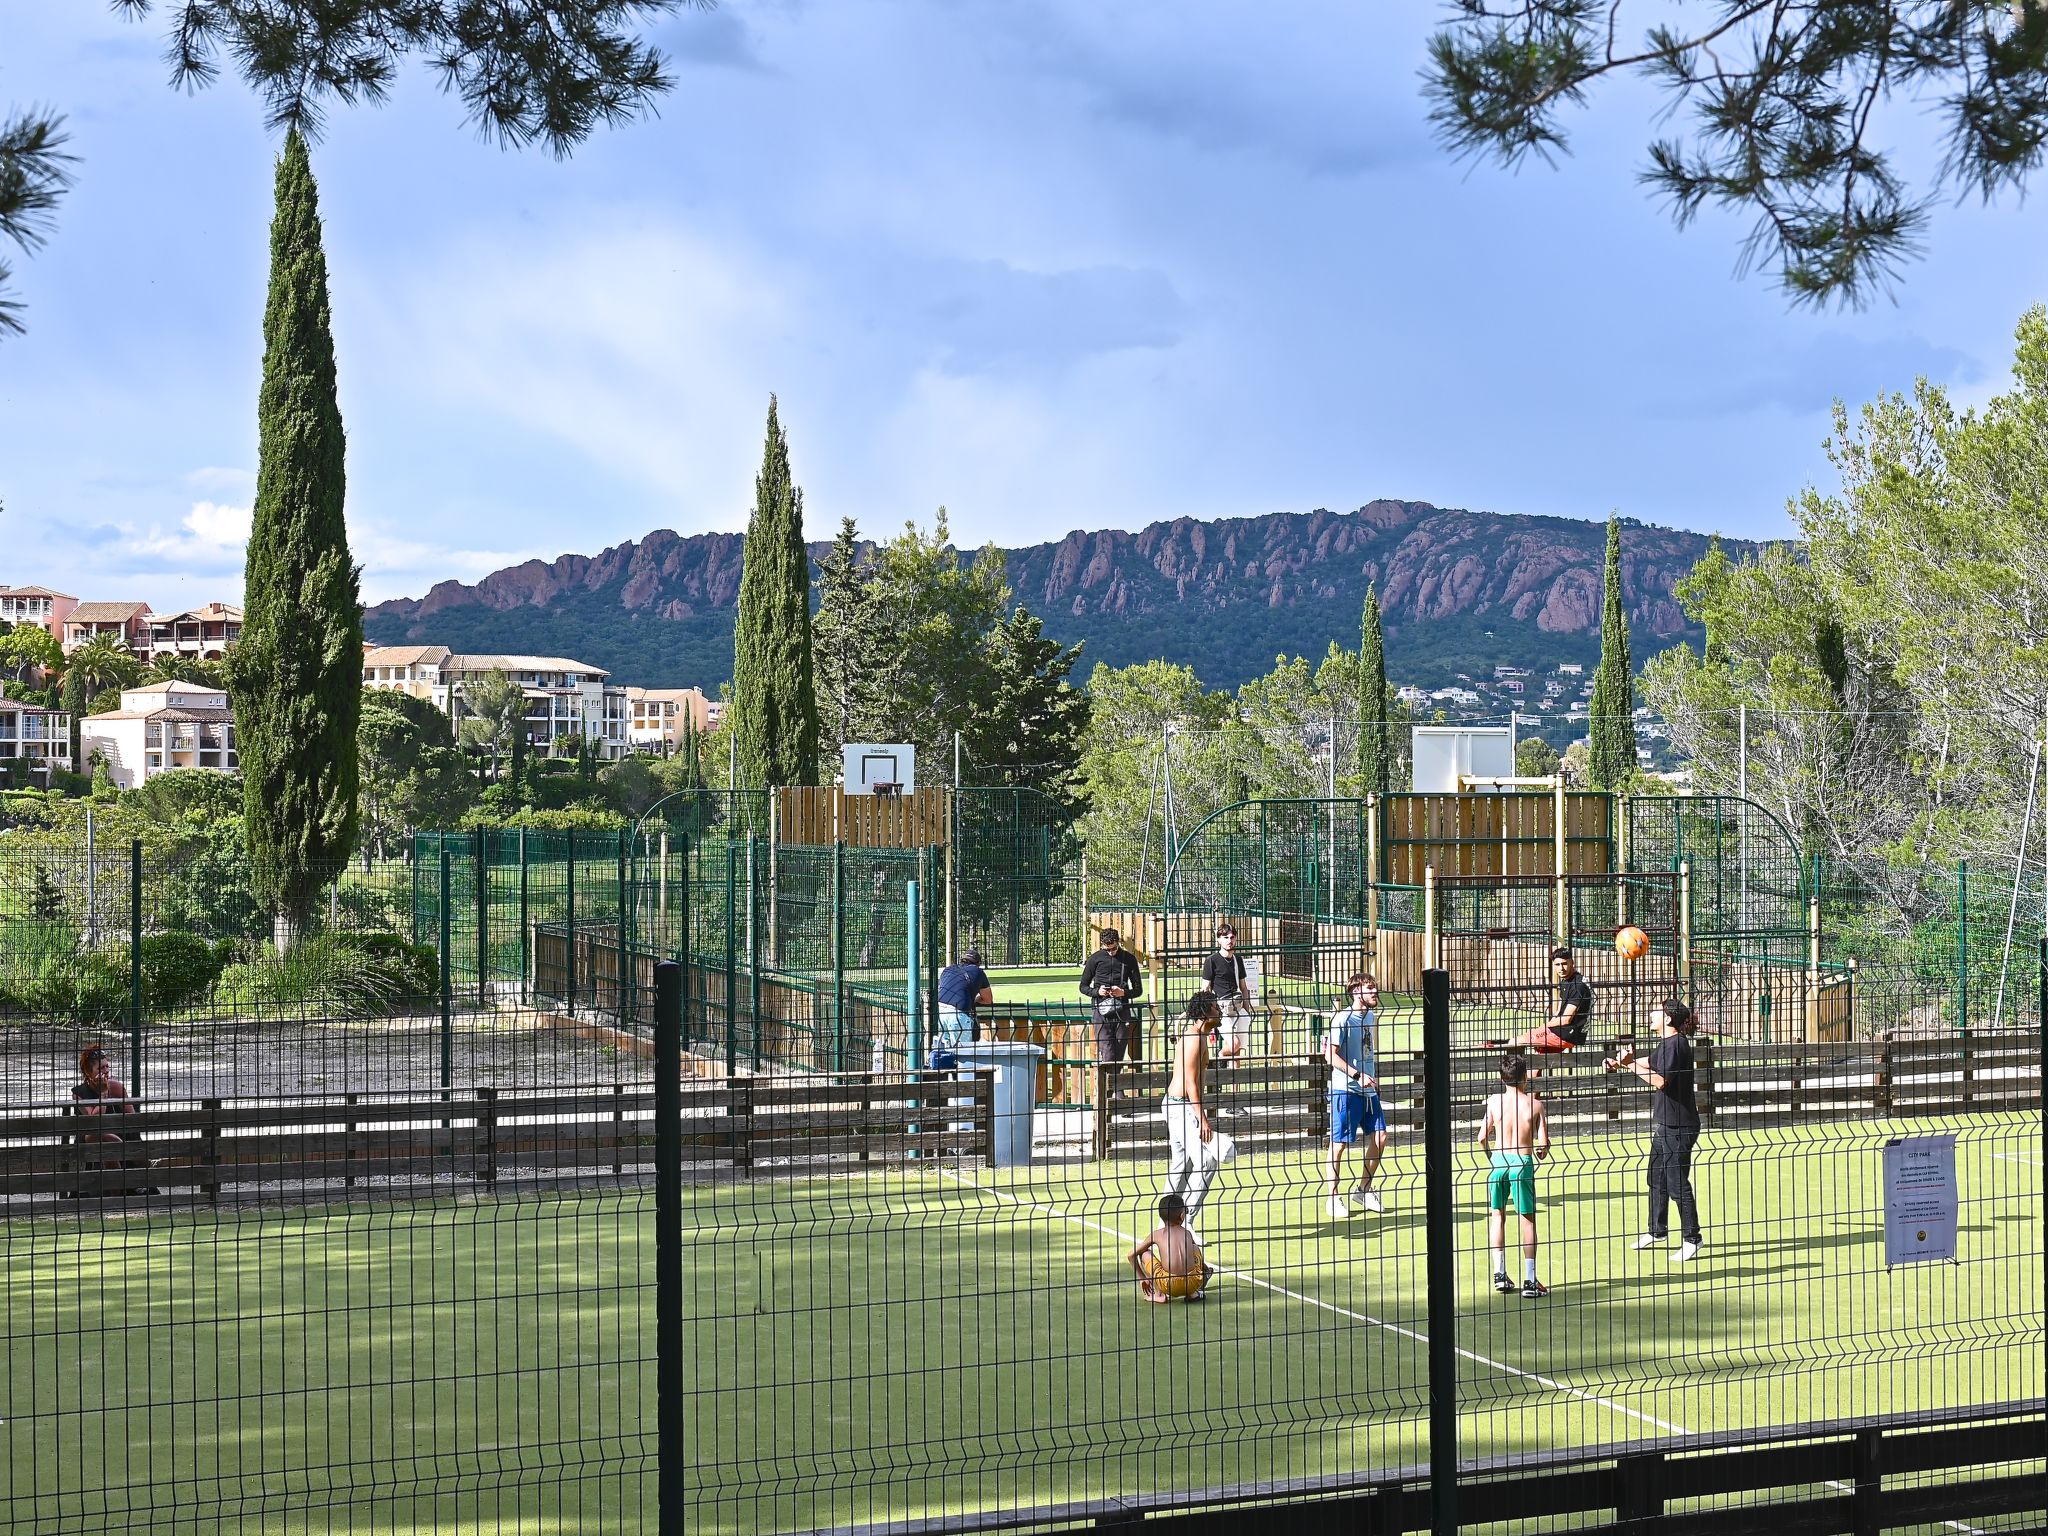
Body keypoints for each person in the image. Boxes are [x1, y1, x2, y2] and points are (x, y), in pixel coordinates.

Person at [1606, 998, 1703, 1262]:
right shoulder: (1666, 1044)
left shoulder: (1677, 1044)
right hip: (1666, 1125)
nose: (1650, 1013)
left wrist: (1628, 1065)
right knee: (1656, 1179)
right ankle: (1657, 1231)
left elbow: (1661, 1081)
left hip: (1680, 1127)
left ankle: (1692, 1239)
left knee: (1677, 1184)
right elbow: (1650, 1062)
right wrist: (1622, 1061)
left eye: (1656, 1011)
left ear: (1668, 1019)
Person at [1477, 1053, 1552, 1297]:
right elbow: (1544, 1143)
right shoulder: (1535, 1104)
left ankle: (1499, 1275)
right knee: (1527, 1220)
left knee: (1497, 1216)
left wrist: (1493, 1156)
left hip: (1499, 1161)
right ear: (1525, 1078)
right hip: (1522, 1161)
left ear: (1501, 1077)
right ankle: (1530, 1281)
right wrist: (1542, 1150)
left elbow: (1481, 1137)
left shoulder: (1494, 1102)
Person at [1323, 973, 1389, 1219]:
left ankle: (1363, 1189)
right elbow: (1331, 1056)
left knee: (1381, 1137)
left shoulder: (1370, 1016)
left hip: (1368, 1090)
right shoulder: (1342, 1018)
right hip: (1345, 1090)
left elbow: (1366, 1051)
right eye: (1369, 988)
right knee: (1338, 1146)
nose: (1374, 992)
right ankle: (1333, 1197)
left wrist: (1371, 1076)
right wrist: (1356, 1075)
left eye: (1375, 987)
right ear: (1355, 992)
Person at [1161, 990, 1221, 1237]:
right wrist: (1202, 1118)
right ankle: (1185, 1222)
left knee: (1181, 1166)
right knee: (1207, 1161)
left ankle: (1165, 1224)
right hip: (1180, 1106)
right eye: (1215, 1007)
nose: (1219, 1010)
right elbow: (1190, 1083)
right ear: (1206, 1012)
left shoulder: (1202, 1035)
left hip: (1180, 1106)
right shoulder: (1194, 1038)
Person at [71, 1043, 150, 1195]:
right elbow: (93, 1122)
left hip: (119, 1133)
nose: (106, 1071)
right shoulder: (79, 1093)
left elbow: (132, 1119)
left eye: (107, 1067)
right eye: (101, 1068)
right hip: (91, 1138)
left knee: (107, 1146)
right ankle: (124, 1159)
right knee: (98, 1135)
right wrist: (103, 1095)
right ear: (88, 1071)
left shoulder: (117, 1086)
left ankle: (118, 1191)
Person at [1493, 948, 1594, 1055]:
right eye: (1557, 965)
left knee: (1515, 1042)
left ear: (1572, 963)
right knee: (1539, 1055)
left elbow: (1565, 1019)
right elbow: (1558, 1012)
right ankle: (1527, 1071)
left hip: (1567, 1034)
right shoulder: (1566, 981)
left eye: (1564, 964)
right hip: (1565, 1032)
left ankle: (1512, 1072)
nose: (1561, 968)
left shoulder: (1577, 986)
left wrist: (1545, 1027)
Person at [1127, 1193, 1213, 1303]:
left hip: (1168, 1285)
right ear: (1182, 1216)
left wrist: (1142, 1278)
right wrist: (1204, 1270)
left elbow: (1131, 1255)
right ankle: (1193, 1294)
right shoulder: (1187, 1233)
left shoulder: (1157, 1234)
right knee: (1194, 1247)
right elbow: (1195, 1256)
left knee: (1144, 1253)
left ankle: (1159, 1295)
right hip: (1193, 1282)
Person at [1079, 927, 1144, 1067]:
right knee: (1107, 1052)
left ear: (1118, 943)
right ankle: (1114, 1087)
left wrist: (1124, 992)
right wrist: (1097, 992)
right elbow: (1083, 986)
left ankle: (1114, 1087)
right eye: (1107, 949)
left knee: (1119, 1051)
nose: (1110, 952)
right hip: (1100, 1008)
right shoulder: (1095, 959)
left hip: (1122, 1008)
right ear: (1102, 944)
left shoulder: (1128, 959)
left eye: (1113, 949)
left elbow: (1138, 990)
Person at [1201, 924, 1258, 1066]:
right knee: (1234, 1044)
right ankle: (1220, 1054)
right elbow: (1205, 989)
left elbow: (1244, 987)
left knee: (1237, 1053)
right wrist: (1209, 1013)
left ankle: (1235, 1088)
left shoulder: (1238, 960)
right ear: (1219, 940)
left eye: (1232, 937)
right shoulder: (1211, 961)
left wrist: (1246, 1010)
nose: (1229, 940)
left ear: (1236, 939)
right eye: (1225, 937)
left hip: (1238, 1008)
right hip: (1222, 1009)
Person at [935, 946, 993, 1050]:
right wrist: (973, 1000)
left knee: (942, 1051)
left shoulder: (948, 969)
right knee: (963, 1053)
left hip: (938, 1011)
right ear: (978, 963)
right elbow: (988, 999)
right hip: (957, 1013)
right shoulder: (978, 972)